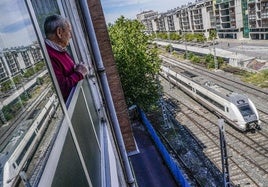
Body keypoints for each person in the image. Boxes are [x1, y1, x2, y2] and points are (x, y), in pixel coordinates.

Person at [44, 14, 89, 102]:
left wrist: (76, 69)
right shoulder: (49, 55)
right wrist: (79, 73)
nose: (70, 36)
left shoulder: (59, 49)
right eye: (69, 31)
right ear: (59, 32)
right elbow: (61, 88)